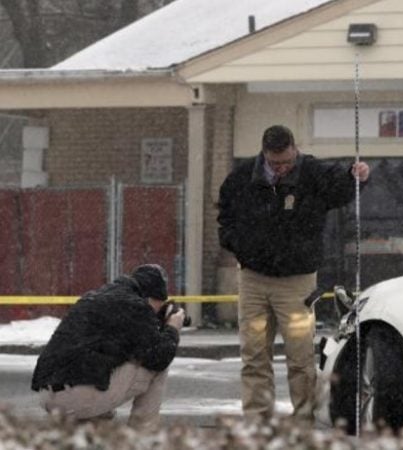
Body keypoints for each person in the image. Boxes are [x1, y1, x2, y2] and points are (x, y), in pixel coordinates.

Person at [217, 124, 370, 422]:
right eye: (276, 164)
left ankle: (304, 421)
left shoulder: (311, 173)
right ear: (264, 154)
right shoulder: (241, 179)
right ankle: (257, 421)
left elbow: (340, 189)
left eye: (288, 161)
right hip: (253, 278)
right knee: (254, 356)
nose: (283, 168)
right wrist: (239, 246)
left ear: (295, 150)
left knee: (301, 357)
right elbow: (226, 216)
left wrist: (357, 178)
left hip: (297, 281)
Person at [31, 264, 184, 430]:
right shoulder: (135, 306)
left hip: (47, 395)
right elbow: (160, 356)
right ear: (148, 298)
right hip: (75, 397)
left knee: (108, 368)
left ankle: (91, 425)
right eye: (158, 306)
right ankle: (143, 437)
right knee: (158, 367)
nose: (155, 313)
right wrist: (172, 328)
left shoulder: (95, 298)